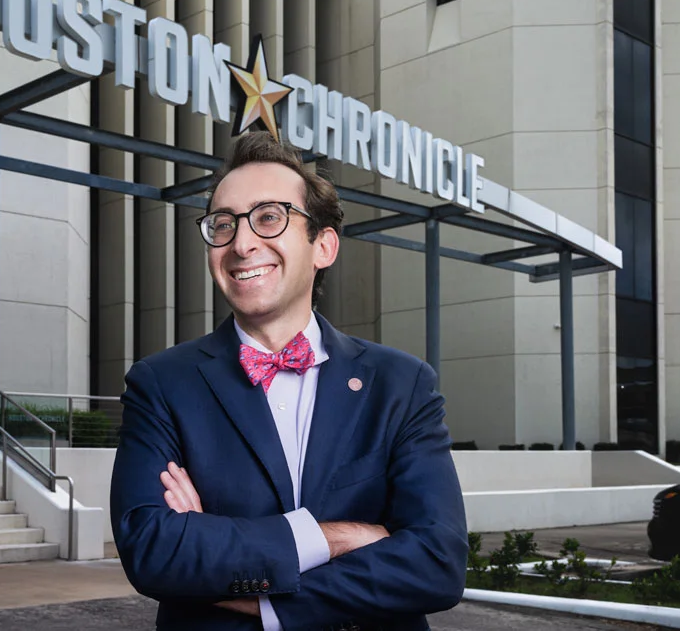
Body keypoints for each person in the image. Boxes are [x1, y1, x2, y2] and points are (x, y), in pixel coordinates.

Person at [110, 132, 468, 630]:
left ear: (323, 245)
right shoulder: (161, 383)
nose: (241, 243)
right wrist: (335, 538)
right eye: (224, 223)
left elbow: (437, 563)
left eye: (269, 217)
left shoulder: (401, 383)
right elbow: (154, 551)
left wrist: (258, 592)